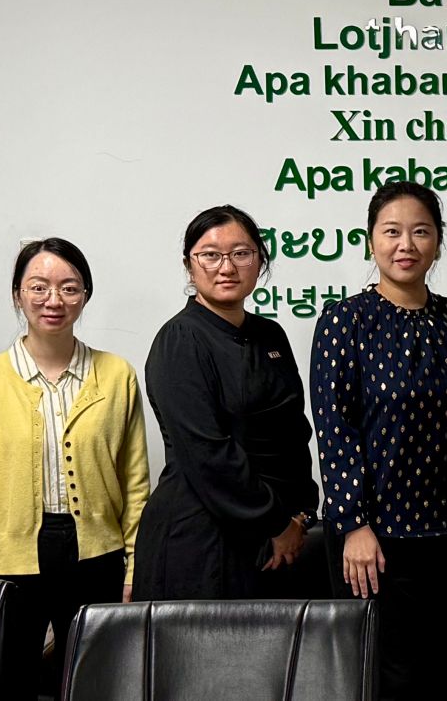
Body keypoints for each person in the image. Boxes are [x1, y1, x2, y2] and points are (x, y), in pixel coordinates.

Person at [0, 237, 149, 700]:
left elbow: (135, 483)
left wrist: (133, 568)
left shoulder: (116, 374)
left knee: (97, 683)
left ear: (85, 295)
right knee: (9, 683)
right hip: (7, 560)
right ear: (17, 294)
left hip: (97, 556)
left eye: (69, 287)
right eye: (38, 287)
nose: (53, 300)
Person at [310, 182, 447, 700]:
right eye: (392, 232)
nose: (406, 244)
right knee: (385, 681)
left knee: (436, 678)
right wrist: (353, 524)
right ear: (371, 241)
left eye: (420, 232)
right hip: (375, 541)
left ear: (438, 243)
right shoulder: (345, 321)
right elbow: (335, 430)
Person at [133, 205, 318, 600]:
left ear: (259, 261)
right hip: (200, 540)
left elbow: (293, 433)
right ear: (189, 265)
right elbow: (208, 453)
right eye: (210, 255)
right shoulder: (180, 340)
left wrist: (301, 514)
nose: (227, 267)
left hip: (275, 538)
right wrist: (276, 523)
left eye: (241, 253)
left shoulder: (270, 334)